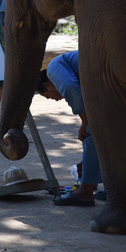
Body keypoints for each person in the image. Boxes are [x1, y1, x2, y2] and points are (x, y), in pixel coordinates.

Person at [36, 51, 104, 206]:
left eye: (49, 96)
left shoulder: (54, 67)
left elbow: (69, 86)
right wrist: (88, 163)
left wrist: (85, 121)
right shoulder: (71, 68)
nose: (55, 100)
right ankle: (113, 187)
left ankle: (85, 191)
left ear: (48, 85)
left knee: (89, 132)